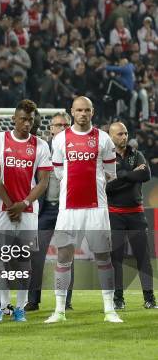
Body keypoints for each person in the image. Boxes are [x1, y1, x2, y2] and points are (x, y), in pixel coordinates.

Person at [45, 96, 122, 324]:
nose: (82, 114)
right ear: (72, 112)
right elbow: (58, 173)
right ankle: (59, 310)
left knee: (103, 257)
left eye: (86, 110)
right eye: (79, 110)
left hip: (96, 207)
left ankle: (109, 309)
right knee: (63, 257)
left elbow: (111, 173)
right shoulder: (59, 139)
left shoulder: (103, 138)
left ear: (92, 112)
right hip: (68, 208)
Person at [0, 99, 52, 323]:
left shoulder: (40, 145)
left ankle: (20, 308)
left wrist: (23, 204)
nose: (26, 124)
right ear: (14, 119)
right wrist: (9, 204)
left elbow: (43, 182)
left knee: (24, 260)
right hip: (3, 210)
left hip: (28, 211)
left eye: (30, 120)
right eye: (23, 119)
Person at [106, 122, 156, 309]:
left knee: (143, 257)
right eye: (120, 134)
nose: (124, 136)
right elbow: (106, 187)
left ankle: (149, 298)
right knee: (116, 259)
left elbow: (146, 175)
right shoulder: (106, 157)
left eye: (126, 133)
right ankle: (118, 300)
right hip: (115, 215)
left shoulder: (137, 153)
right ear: (110, 136)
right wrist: (130, 174)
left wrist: (120, 176)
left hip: (136, 214)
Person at [26, 113, 74, 311]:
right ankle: (33, 300)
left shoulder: (76, 150)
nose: (62, 127)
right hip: (44, 211)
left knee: (67, 256)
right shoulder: (41, 148)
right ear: (51, 128)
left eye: (65, 124)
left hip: (66, 210)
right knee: (35, 256)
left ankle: (66, 302)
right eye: (58, 125)